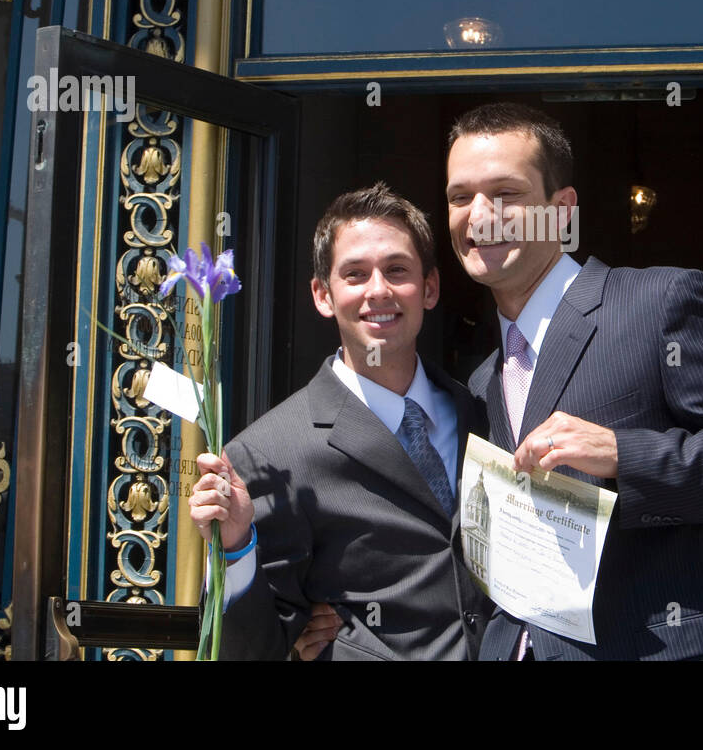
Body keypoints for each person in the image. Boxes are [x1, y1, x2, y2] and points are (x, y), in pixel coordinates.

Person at [444, 103, 703, 660]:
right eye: (459, 197)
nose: (478, 216)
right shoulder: (479, 376)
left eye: (505, 194)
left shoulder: (660, 303)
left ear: (562, 210)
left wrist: (625, 453)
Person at [189, 182, 491, 659]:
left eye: (397, 270)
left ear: (429, 288)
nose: (379, 290)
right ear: (323, 295)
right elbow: (252, 648)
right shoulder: (267, 454)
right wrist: (236, 547)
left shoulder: (482, 412)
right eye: (355, 274)